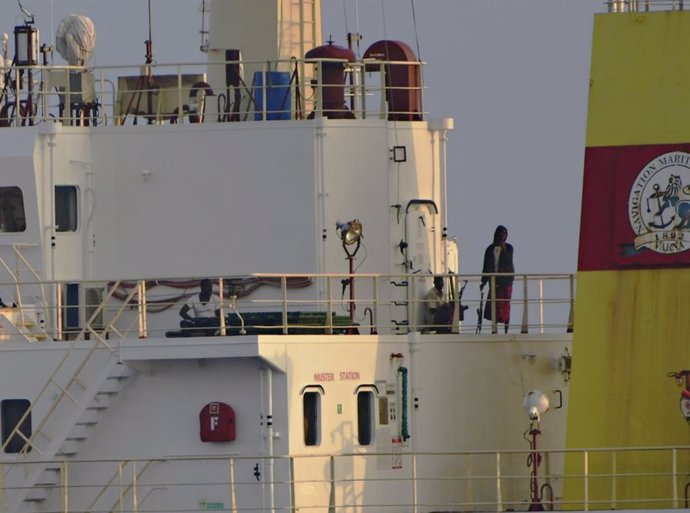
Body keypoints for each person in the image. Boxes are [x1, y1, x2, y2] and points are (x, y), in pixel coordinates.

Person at [480, 225, 514, 334]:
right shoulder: (489, 249)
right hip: (494, 282)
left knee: (505, 307)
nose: (503, 236)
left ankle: (506, 330)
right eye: (501, 234)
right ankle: (494, 330)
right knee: (493, 307)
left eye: (505, 234)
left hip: (505, 282)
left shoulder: (509, 248)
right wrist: (483, 281)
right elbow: (486, 266)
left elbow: (508, 262)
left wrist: (503, 248)